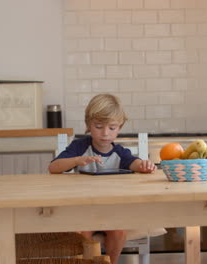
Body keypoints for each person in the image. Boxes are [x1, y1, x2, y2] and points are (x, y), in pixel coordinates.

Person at [48, 93, 156, 264]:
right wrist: (76, 160)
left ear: (119, 128)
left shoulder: (120, 152)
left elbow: (135, 163)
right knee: (81, 232)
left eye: (112, 128)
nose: (105, 133)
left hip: (112, 210)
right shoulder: (79, 147)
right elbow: (53, 167)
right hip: (83, 209)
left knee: (118, 231)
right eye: (98, 126)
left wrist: (144, 165)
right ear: (88, 125)